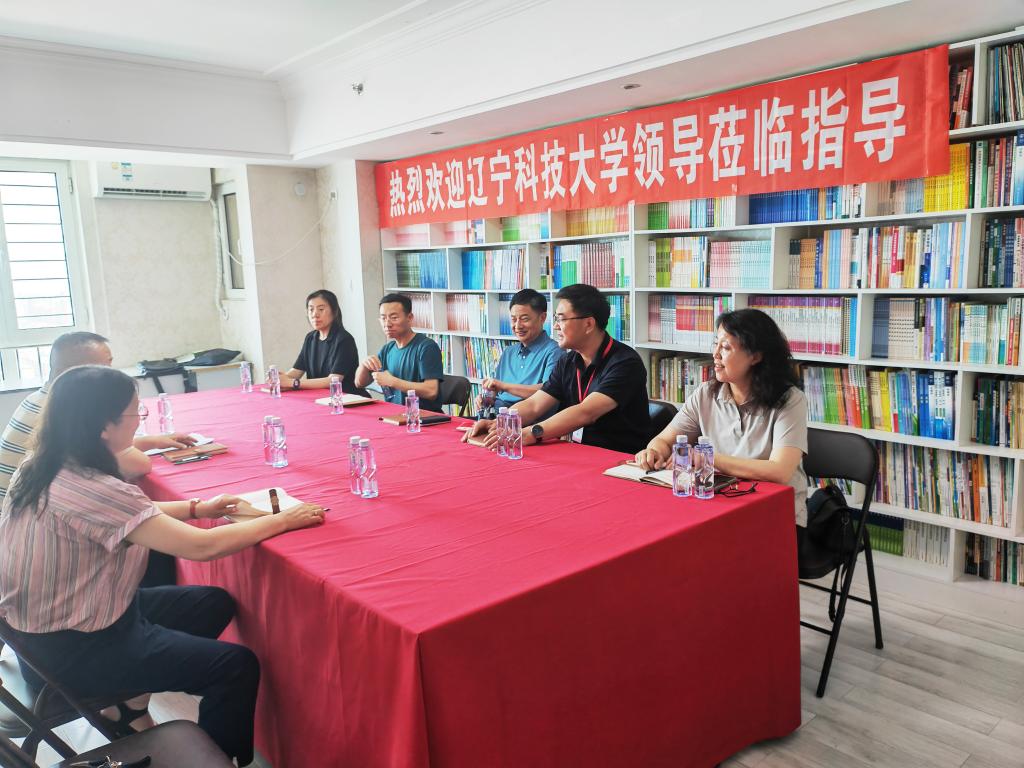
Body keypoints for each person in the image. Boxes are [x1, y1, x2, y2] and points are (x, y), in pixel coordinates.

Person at [0, 365, 325, 766]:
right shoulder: (93, 488)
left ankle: (130, 705)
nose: (140, 421)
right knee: (234, 666)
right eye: (134, 413)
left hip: (53, 629)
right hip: (73, 650)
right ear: (103, 426)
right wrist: (283, 520)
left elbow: (131, 513)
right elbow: (202, 547)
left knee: (213, 603)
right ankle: (216, 759)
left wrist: (198, 507)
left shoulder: (44, 464)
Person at [634, 308, 809, 525]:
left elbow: (779, 471)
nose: (715, 354)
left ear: (756, 356)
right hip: (718, 505)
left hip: (774, 515)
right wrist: (653, 451)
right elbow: (664, 440)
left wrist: (708, 458)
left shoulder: (790, 400)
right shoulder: (706, 393)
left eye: (725, 347)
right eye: (716, 344)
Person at [0, 332, 195, 501]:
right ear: (79, 374)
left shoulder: (45, 398)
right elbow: (138, 464)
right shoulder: (64, 412)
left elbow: (90, 450)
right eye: (104, 369)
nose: (112, 375)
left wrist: (153, 442)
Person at [464, 283, 650, 454]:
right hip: (576, 450)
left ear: (588, 324)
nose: (555, 326)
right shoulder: (568, 361)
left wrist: (531, 433)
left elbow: (586, 412)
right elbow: (535, 405)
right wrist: (500, 424)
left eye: (561, 319)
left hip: (616, 456)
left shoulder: (625, 363)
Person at [476, 289, 563, 414]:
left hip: (526, 419)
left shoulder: (555, 351)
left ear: (542, 318)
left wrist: (504, 386)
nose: (517, 326)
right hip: (497, 416)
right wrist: (488, 398)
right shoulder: (509, 352)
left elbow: (547, 392)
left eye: (524, 319)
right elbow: (496, 391)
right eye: (513, 319)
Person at [354, 293, 444, 413]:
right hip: (394, 415)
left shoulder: (426, 347)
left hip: (424, 417)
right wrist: (364, 365)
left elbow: (431, 391)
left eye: (394, 318)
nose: (387, 324)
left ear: (409, 318)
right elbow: (359, 383)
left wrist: (392, 381)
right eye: (383, 318)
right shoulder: (387, 349)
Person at [277, 289, 364, 394]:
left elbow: (332, 380)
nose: (315, 314)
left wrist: (292, 383)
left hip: (345, 398)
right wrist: (280, 379)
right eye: (311, 310)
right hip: (318, 397)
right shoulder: (310, 338)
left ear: (334, 311)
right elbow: (296, 371)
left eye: (321, 309)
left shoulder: (344, 340)